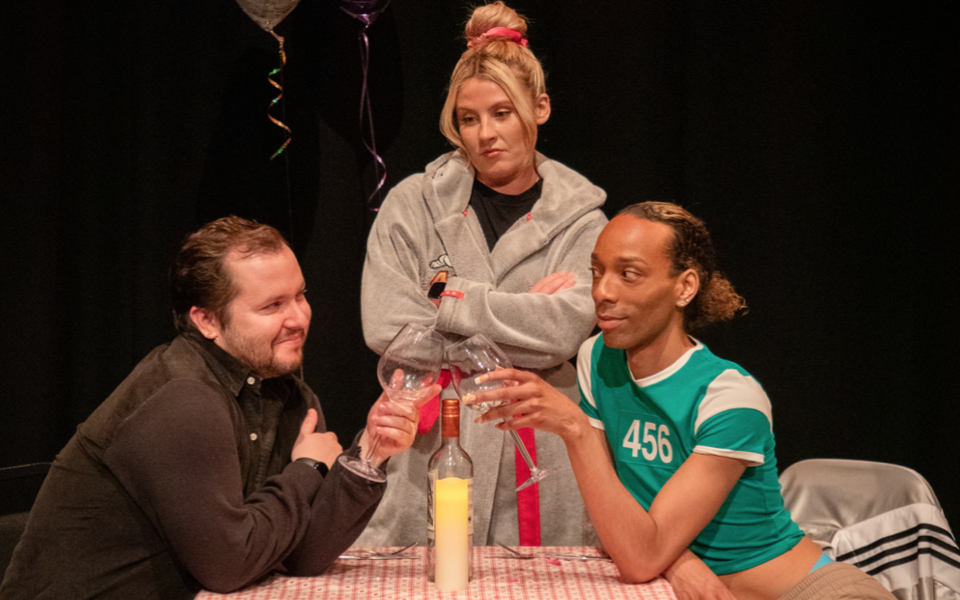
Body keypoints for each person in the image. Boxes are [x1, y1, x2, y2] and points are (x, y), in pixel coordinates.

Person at [469, 203, 896, 599]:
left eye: (629, 274)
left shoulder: (728, 396)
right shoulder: (598, 358)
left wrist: (574, 427)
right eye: (597, 272)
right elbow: (619, 518)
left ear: (685, 287)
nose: (602, 291)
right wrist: (678, 562)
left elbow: (640, 557)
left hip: (806, 591)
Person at [0, 217, 433, 599]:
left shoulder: (289, 397)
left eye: (300, 295)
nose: (299, 318)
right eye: (272, 305)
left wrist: (370, 452)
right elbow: (230, 566)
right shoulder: (181, 399)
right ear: (207, 320)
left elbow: (301, 555)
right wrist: (308, 469)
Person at [357, 1, 606, 547]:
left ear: (539, 108)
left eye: (502, 113)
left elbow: (562, 331)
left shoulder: (584, 220)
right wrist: (519, 315)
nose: (484, 134)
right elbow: (386, 324)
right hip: (427, 435)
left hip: (535, 443)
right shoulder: (412, 203)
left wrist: (445, 296)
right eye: (468, 119)